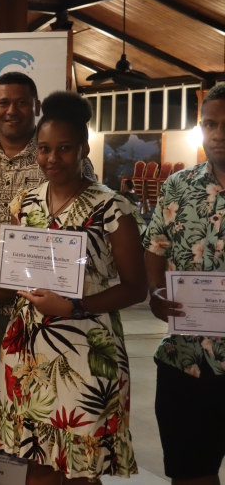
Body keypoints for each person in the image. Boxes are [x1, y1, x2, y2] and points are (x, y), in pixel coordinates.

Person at [0, 92, 145, 483]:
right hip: (29, 348)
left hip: (86, 352)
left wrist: (76, 306)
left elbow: (136, 288)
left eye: (64, 148)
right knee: (36, 455)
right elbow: (19, 273)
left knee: (81, 467)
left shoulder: (112, 208)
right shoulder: (24, 203)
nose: (52, 159)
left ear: (83, 149)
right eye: (44, 149)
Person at [0, 72, 96, 485]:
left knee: (45, 402)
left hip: (46, 308)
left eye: (21, 102)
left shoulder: (61, 154)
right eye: (3, 102)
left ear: (36, 107)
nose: (11, 110)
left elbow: (85, 227)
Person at [144, 83, 225, 485]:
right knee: (191, 474)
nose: (218, 134)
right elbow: (155, 246)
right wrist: (156, 291)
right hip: (185, 361)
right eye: (210, 124)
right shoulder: (178, 186)